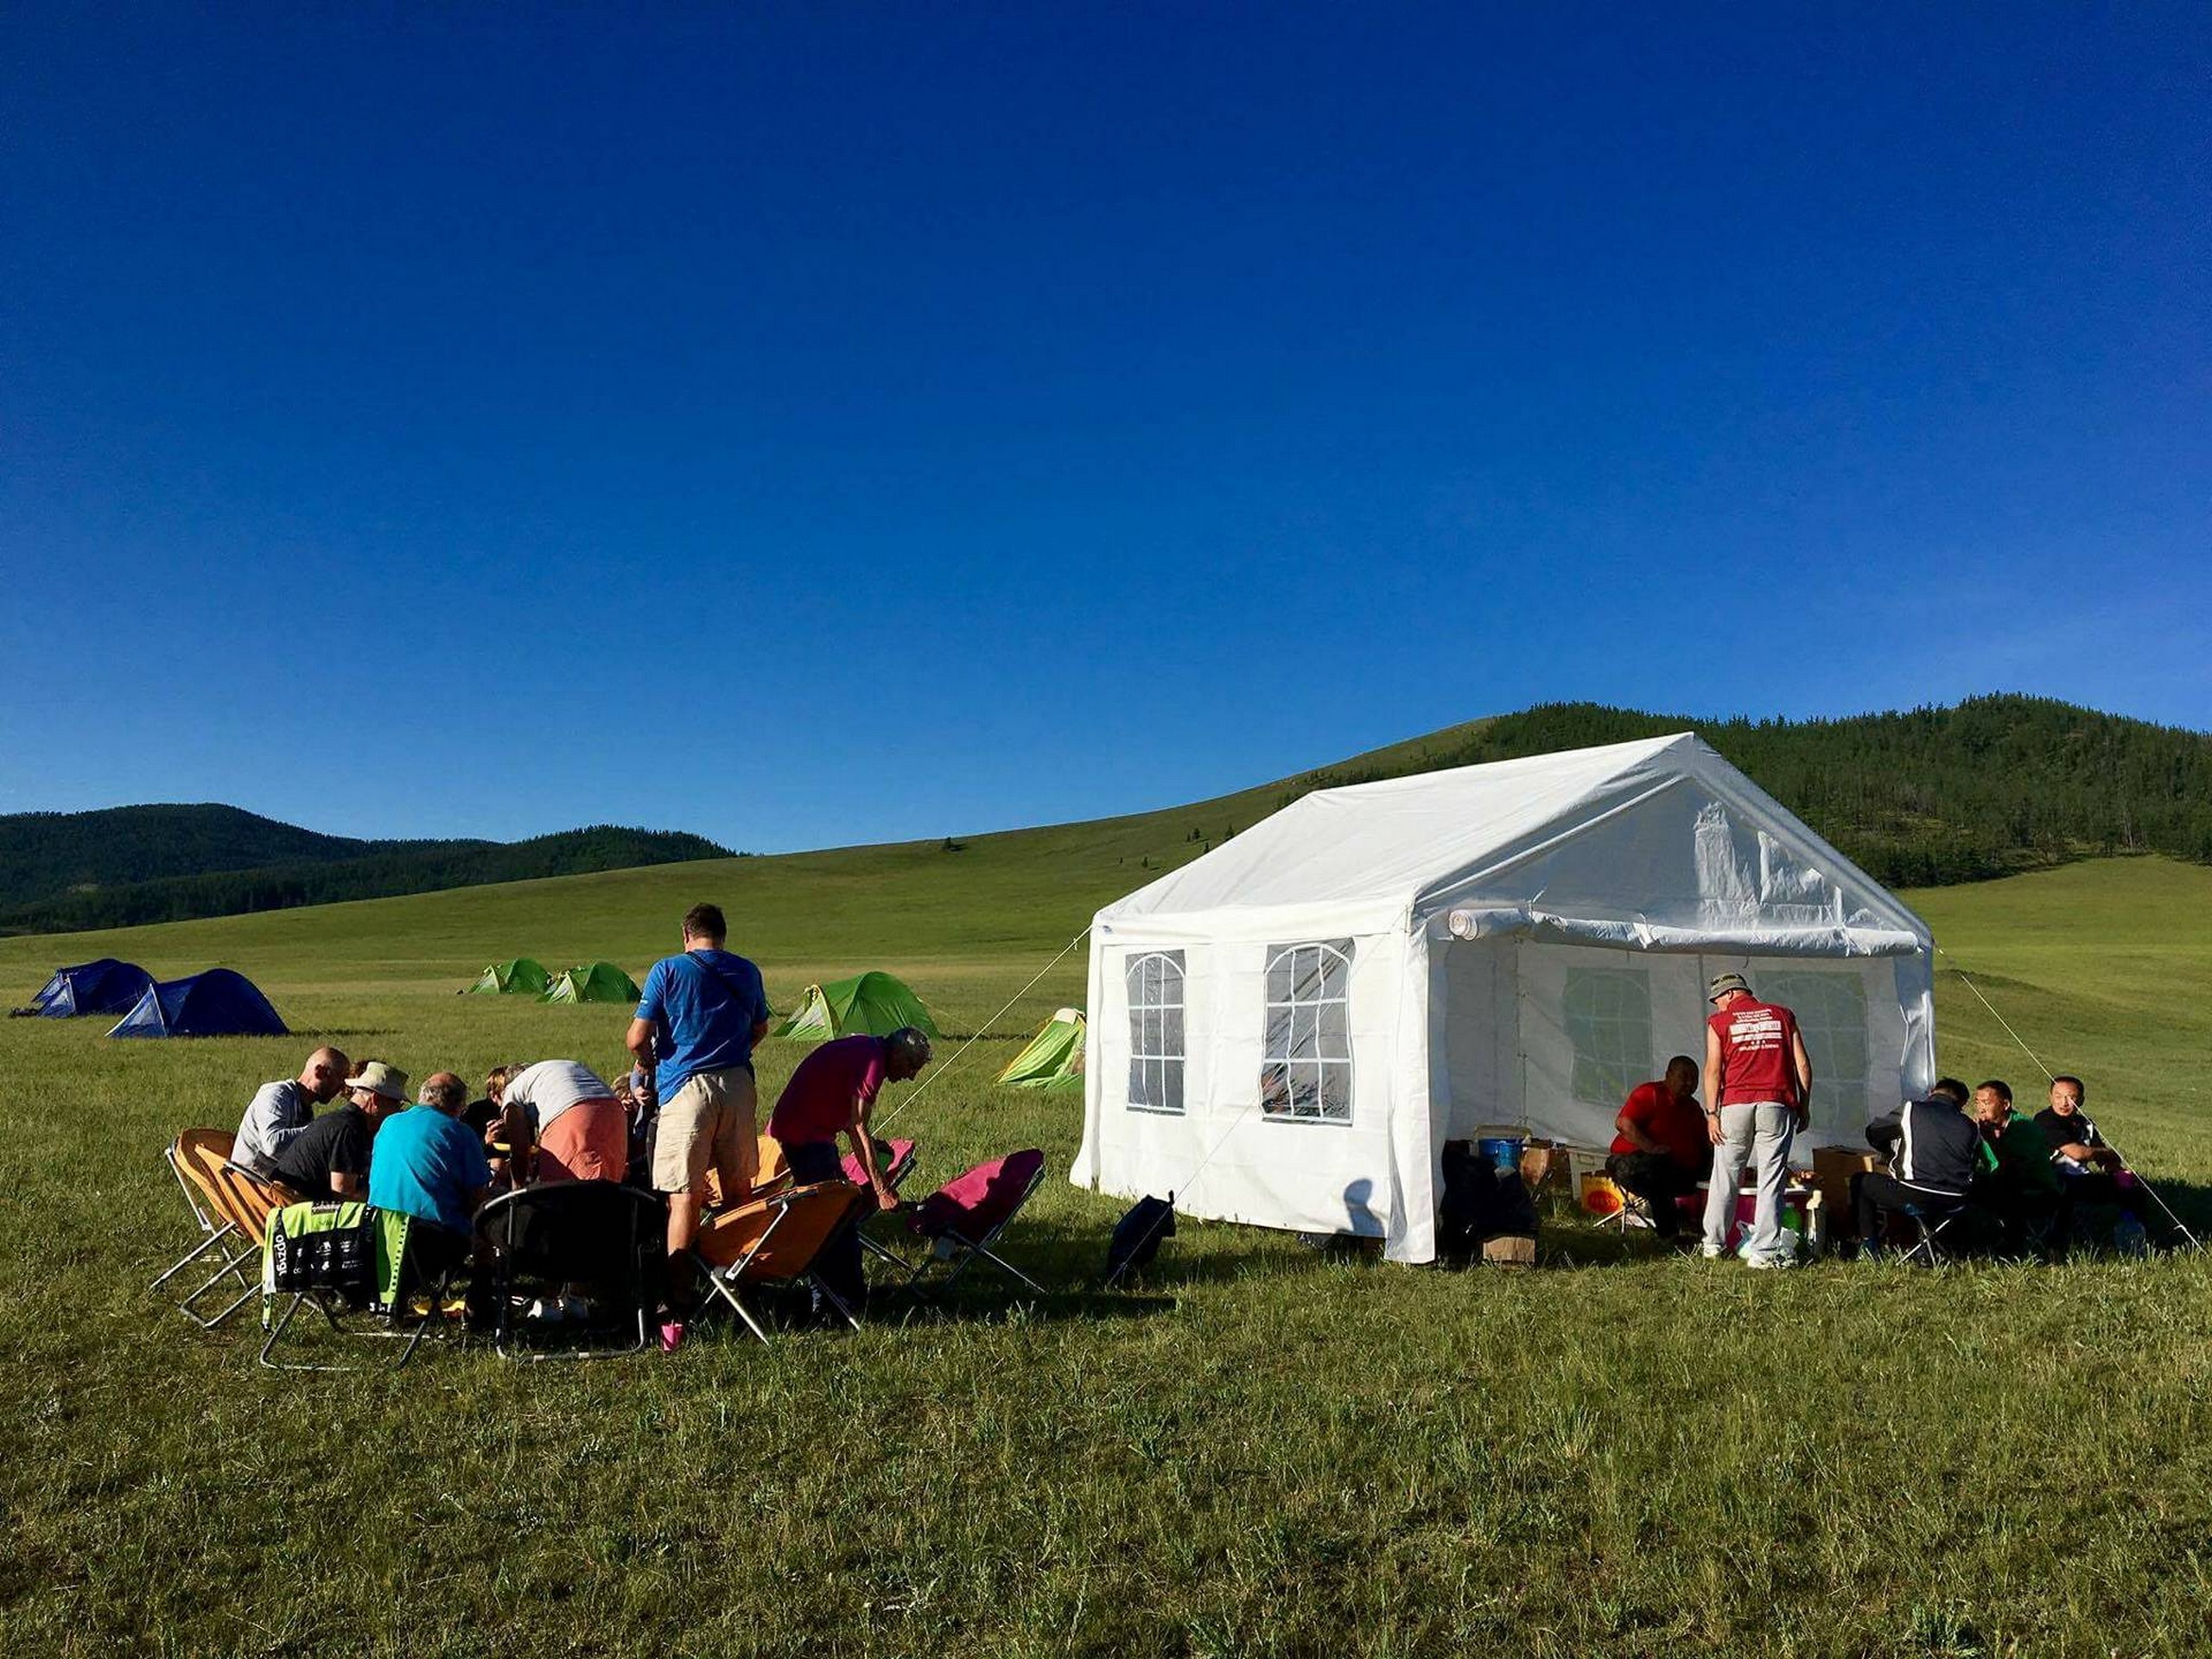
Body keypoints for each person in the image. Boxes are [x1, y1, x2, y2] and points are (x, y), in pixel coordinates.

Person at [627, 904, 772, 1273]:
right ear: (723, 935)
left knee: (684, 1195)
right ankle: (740, 1273)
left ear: (686, 935)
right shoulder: (747, 970)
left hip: (687, 1088)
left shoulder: (668, 969)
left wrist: (648, 1062)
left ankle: (678, 1290)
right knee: (739, 1190)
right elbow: (760, 1029)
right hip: (738, 1084)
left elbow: (636, 1038)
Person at [767, 1027, 933, 1318]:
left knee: (839, 1219)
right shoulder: (873, 1064)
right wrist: (882, 1190)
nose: (911, 1075)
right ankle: (833, 1306)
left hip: (807, 1132)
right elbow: (858, 1128)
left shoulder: (869, 1051)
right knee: (832, 1222)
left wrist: (870, 1145)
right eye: (911, 1066)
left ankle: (850, 1297)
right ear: (896, 1053)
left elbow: (846, 1115)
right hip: (804, 1137)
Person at [1700, 973, 1812, 1268]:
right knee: (1771, 1177)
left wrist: (1712, 1113)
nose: (1717, 1007)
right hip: (1777, 1103)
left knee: (1724, 1174)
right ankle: (1763, 1251)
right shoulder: (1783, 1015)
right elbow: (1802, 1063)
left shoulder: (1719, 1023)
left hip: (1735, 1105)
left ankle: (1713, 1243)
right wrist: (1804, 1105)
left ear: (1729, 995)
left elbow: (1713, 1070)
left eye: (1717, 1001)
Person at [366, 1072, 493, 1281]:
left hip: (380, 1233)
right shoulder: (461, 1132)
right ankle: (479, 1299)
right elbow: (477, 1197)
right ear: (458, 1105)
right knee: (486, 1222)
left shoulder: (389, 1124)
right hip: (430, 1238)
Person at [1851, 1079, 1983, 1255]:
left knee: (1861, 1182)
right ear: (1961, 1103)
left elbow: (1874, 1132)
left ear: (1932, 1092)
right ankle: (1929, 1249)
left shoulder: (1912, 1110)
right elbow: (1971, 1165)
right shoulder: (1972, 1127)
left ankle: (1869, 1247)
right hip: (1954, 1202)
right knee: (1932, 1189)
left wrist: (1890, 1151)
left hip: (1914, 1193)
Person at [1605, 1056, 1710, 1242]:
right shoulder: (1651, 1093)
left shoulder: (1693, 1108)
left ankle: (1705, 1225)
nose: (1689, 1083)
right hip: (1634, 1164)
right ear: (1668, 1075)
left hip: (1679, 1172)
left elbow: (1705, 1142)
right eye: (1684, 1077)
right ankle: (1669, 1234)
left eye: (1694, 1079)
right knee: (1657, 1171)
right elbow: (1623, 1123)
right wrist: (1650, 1147)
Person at [264, 1061, 406, 1199]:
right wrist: (387, 1195)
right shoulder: (349, 1129)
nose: (398, 1110)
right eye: (396, 1103)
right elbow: (344, 1192)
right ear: (375, 1100)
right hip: (295, 1210)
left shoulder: (343, 1121)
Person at [2034, 1075, 2141, 1246]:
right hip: (2050, 1178)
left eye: (2071, 1098)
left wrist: (2119, 1172)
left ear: (2081, 1100)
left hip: (2081, 1179)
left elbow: (2102, 1158)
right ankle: (2056, 1244)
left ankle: (2131, 1234)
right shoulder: (2045, 1120)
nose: (2064, 1103)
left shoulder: (2086, 1124)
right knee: (2065, 1190)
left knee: (2131, 1188)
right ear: (2050, 1097)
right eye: (2058, 1097)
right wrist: (2108, 1153)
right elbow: (2078, 1153)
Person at [494, 1059, 629, 1185]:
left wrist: (517, 1192)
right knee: (608, 1188)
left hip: (574, 1116)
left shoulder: (511, 1092)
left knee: (561, 1192)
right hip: (614, 1111)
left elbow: (519, 1151)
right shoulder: (545, 1076)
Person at [232, 1046, 351, 1178]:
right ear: (320, 1072)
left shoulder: (303, 1106)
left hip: (277, 1184)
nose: (341, 1089)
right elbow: (273, 1144)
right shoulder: (276, 1095)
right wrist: (320, 1131)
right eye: (340, 1079)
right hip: (254, 1185)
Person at [1972, 1078, 2061, 1252]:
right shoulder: (1983, 1128)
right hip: (1999, 1183)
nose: (1981, 1108)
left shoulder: (2025, 1128)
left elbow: (2014, 1169)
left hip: (2036, 1189)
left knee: (2006, 1191)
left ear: (2005, 1104)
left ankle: (2010, 1246)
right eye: (1978, 1103)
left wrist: (1991, 1139)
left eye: (1986, 1103)